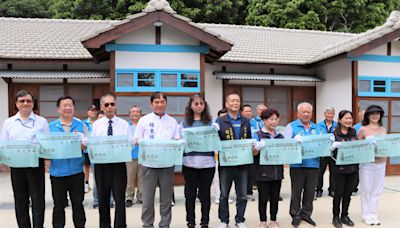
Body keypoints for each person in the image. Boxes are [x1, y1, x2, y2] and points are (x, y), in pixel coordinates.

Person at [0, 90, 48, 228]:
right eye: (22, 101)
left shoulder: (41, 121)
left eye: (28, 101)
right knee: (20, 200)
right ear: (16, 104)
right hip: (17, 166)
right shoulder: (9, 122)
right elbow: (4, 143)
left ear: (33, 103)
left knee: (38, 199)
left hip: (35, 164)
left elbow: (46, 144)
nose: (25, 103)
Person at [134, 92, 180, 228]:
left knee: (166, 199)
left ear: (166, 103)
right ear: (151, 104)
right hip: (149, 164)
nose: (160, 105)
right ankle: (147, 224)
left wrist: (179, 143)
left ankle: (165, 224)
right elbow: (137, 140)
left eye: (162, 102)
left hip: (167, 165)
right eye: (157, 102)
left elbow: (176, 139)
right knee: (147, 198)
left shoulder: (172, 121)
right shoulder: (144, 120)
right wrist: (144, 142)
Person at [91, 93, 131, 228]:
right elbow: (93, 144)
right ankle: (104, 225)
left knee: (120, 198)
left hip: (118, 165)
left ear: (115, 106)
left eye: (112, 104)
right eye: (106, 104)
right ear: (102, 107)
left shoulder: (124, 124)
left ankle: (120, 225)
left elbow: (129, 143)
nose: (109, 107)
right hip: (101, 165)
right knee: (103, 198)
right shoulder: (96, 125)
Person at [48, 96, 86, 228]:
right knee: (58, 205)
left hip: (76, 171)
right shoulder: (51, 127)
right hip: (57, 173)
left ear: (74, 108)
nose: (67, 108)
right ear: (58, 109)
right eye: (64, 105)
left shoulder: (81, 125)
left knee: (78, 203)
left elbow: (87, 147)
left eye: (70, 105)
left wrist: (84, 145)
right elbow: (46, 148)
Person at [216, 94, 252, 228]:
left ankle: (240, 219)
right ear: (226, 104)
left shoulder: (246, 121)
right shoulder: (220, 121)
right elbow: (216, 141)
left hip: (242, 163)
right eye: (232, 101)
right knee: (224, 194)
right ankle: (224, 220)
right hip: (226, 163)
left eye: (237, 100)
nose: (235, 103)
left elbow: (249, 139)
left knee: (242, 194)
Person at [284, 102, 321, 227]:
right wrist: (293, 141)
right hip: (297, 165)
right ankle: (295, 214)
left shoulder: (317, 128)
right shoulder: (291, 126)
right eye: (303, 112)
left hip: (313, 164)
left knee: (310, 191)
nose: (306, 114)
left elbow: (322, 145)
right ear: (298, 113)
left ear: (311, 113)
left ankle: (306, 214)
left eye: (308, 112)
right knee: (296, 191)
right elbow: (285, 144)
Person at [181, 94, 215, 228]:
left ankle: (205, 221)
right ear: (190, 106)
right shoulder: (184, 123)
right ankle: (190, 221)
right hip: (189, 163)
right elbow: (180, 141)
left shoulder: (211, 122)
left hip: (208, 163)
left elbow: (215, 141)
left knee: (205, 194)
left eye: (201, 103)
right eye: (196, 103)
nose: (199, 106)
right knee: (189, 194)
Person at [253, 108, 284, 228]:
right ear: (264, 120)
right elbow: (253, 153)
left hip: (277, 172)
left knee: (275, 198)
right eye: (271, 119)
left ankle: (273, 220)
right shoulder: (258, 134)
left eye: (276, 119)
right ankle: (262, 221)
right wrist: (256, 148)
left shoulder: (280, 136)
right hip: (263, 172)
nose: (274, 122)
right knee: (263, 197)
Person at [357, 105, 387, 226]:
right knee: (366, 190)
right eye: (372, 113)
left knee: (377, 190)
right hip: (367, 163)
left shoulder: (383, 129)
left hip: (381, 163)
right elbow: (357, 147)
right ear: (368, 116)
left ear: (380, 115)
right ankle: (366, 215)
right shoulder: (363, 129)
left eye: (377, 113)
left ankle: (373, 214)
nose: (375, 116)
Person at [330, 110, 359, 228]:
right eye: (346, 118)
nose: (348, 121)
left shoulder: (353, 132)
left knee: (348, 193)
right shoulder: (334, 133)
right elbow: (328, 151)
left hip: (353, 168)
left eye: (350, 118)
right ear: (340, 120)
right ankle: (336, 217)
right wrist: (333, 147)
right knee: (339, 193)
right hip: (339, 168)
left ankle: (345, 215)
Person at [211, 109, 233, 205]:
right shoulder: (214, 126)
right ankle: (217, 195)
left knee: (228, 176)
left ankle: (226, 195)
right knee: (217, 176)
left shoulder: (230, 126)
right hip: (216, 154)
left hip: (228, 154)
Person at [316, 107, 337, 198]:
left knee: (334, 172)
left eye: (332, 113)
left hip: (333, 152)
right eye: (328, 113)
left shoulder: (337, 125)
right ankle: (319, 190)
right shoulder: (318, 125)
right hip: (322, 152)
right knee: (320, 172)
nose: (330, 115)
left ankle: (332, 190)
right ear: (325, 114)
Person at [125, 105, 143, 207]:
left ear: (140, 114)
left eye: (137, 112)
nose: (135, 113)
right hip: (129, 156)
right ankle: (129, 197)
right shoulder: (126, 126)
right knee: (129, 178)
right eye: (133, 112)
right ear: (129, 114)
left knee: (142, 178)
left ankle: (141, 196)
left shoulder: (143, 126)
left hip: (142, 155)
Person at [241, 104, 257, 201]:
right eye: (246, 111)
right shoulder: (240, 122)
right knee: (242, 172)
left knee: (251, 172)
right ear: (242, 112)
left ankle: (249, 192)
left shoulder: (255, 123)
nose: (248, 113)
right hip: (242, 150)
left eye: (250, 111)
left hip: (252, 150)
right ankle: (242, 192)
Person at [82, 105, 98, 193]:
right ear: (88, 112)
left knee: (95, 168)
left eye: (95, 111)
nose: (93, 112)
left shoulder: (99, 122)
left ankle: (96, 185)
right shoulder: (83, 123)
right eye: (91, 110)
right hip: (86, 149)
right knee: (86, 167)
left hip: (96, 149)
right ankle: (86, 184)